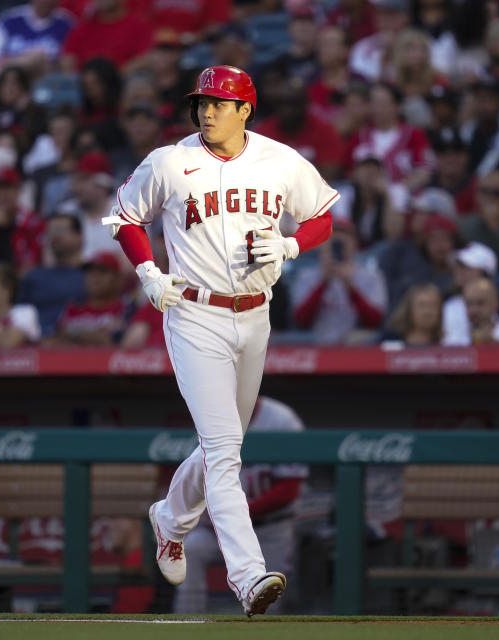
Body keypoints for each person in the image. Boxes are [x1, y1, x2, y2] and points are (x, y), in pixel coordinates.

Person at [106, 65, 337, 616]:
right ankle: (249, 577)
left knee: (221, 445)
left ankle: (170, 518)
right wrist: (147, 272)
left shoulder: (279, 159)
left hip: (256, 317)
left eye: (218, 102)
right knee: (226, 452)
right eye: (201, 103)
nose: (207, 111)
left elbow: (323, 215)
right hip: (192, 313)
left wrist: (289, 247)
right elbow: (125, 218)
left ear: (244, 110)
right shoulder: (169, 160)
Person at [173, 395, 307, 613]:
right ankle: (189, 625)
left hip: (269, 529)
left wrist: (236, 514)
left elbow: (288, 489)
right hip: (220, 529)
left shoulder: (281, 420)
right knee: (192, 549)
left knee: (269, 605)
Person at [290, 220, 387, 344]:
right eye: (330, 240)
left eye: (342, 242)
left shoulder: (371, 277)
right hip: (317, 345)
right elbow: (301, 320)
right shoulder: (306, 276)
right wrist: (323, 281)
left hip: (358, 348)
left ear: (354, 244)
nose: (335, 245)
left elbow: (375, 321)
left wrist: (350, 286)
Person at [18, 214, 87, 337]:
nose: (55, 236)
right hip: (37, 342)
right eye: (50, 231)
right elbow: (19, 315)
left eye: (61, 230)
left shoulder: (93, 275)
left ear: (79, 237)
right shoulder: (33, 277)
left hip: (80, 343)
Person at [48, 251, 125, 346]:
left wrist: (72, 332)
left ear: (117, 278)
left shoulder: (123, 309)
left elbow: (109, 341)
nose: (95, 277)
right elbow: (55, 340)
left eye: (102, 272)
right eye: (90, 272)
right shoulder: (73, 308)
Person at [0, 0, 74, 72]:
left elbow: (68, 64)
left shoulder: (66, 23)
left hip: (45, 81)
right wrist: (23, 61)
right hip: (4, 77)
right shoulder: (10, 19)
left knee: (38, 56)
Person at [442, 242, 498, 346]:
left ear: (484, 273)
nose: (458, 271)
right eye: (457, 266)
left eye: (465, 267)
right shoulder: (447, 304)